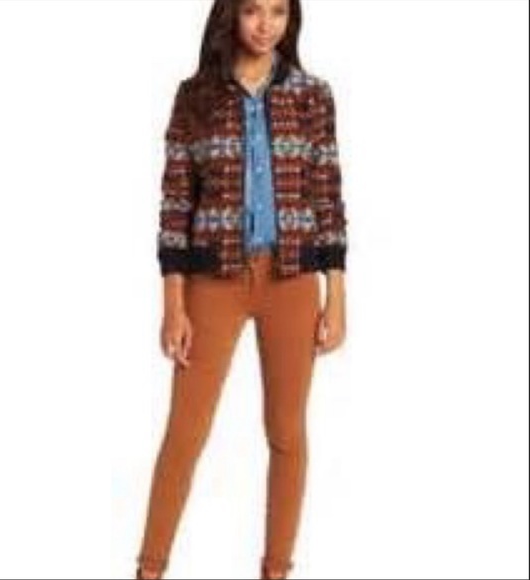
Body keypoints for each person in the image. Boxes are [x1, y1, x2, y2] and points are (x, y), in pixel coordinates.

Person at [136, 0, 348, 577]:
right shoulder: (195, 97)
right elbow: (176, 202)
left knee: (287, 432)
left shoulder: (312, 95)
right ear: (230, 14)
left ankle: (276, 569)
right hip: (213, 280)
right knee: (185, 433)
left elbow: (327, 195)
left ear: (291, 19)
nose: (265, 24)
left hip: (293, 279)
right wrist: (173, 304)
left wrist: (336, 295)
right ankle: (149, 568)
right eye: (253, 10)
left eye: (278, 11)